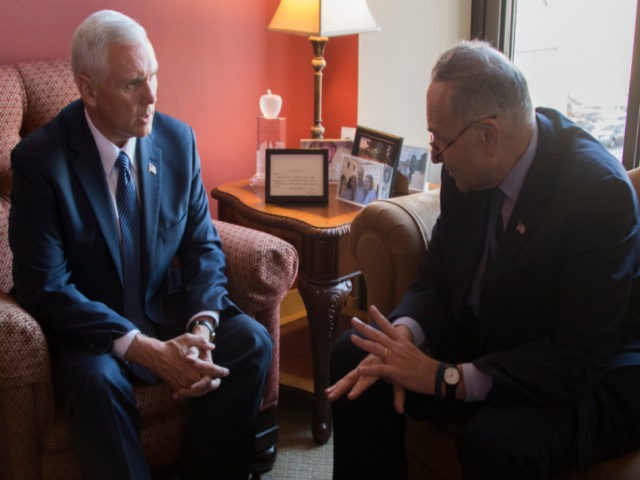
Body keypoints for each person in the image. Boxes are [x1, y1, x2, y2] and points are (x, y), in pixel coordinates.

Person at [326, 39, 640, 479]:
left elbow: (578, 357)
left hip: (577, 376)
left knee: (495, 441)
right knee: (359, 357)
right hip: (491, 336)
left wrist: (446, 377)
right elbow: (437, 278)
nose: (434, 155)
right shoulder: (468, 171)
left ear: (488, 134)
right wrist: (401, 337)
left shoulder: (598, 195)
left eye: (440, 141)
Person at [8, 10, 271, 480]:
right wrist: (144, 349)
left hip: (166, 310)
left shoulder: (176, 139)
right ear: (88, 89)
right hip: (95, 332)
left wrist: (203, 330)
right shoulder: (40, 162)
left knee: (249, 341)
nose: (152, 96)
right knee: (96, 383)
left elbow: (202, 247)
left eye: (154, 76)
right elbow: (44, 287)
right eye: (133, 83)